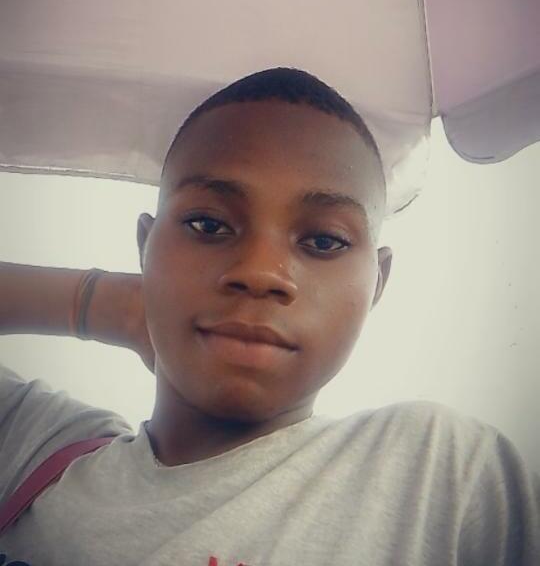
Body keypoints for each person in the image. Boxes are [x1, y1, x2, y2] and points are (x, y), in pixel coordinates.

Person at [0, 67, 538, 565]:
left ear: (376, 283)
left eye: (324, 240)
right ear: (146, 247)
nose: (260, 272)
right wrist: (107, 304)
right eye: (209, 225)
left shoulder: (439, 475)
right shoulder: (38, 450)